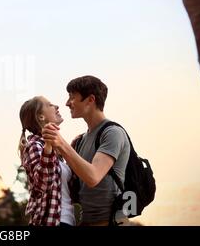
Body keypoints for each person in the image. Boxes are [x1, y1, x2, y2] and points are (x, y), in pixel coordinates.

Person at [42, 75, 130, 226]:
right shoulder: (80, 141)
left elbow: (93, 177)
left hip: (110, 221)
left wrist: (62, 144)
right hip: (86, 221)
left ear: (90, 99)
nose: (67, 103)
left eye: (72, 97)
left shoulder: (112, 133)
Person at [18, 96, 75, 226]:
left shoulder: (56, 150)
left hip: (66, 221)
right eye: (50, 105)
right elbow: (42, 184)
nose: (56, 106)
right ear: (41, 117)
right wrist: (48, 148)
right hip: (49, 222)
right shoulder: (34, 146)